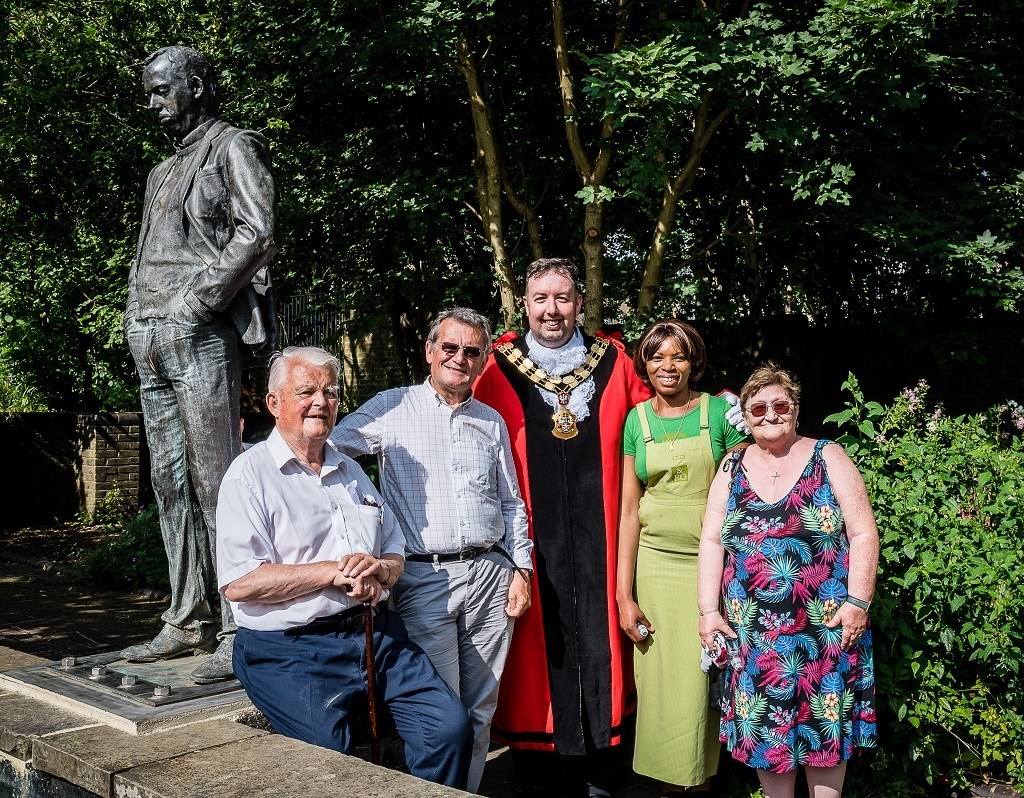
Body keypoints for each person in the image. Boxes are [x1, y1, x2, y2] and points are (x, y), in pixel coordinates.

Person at [216, 346, 471, 788]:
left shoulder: (350, 469)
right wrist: (334, 571)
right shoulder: (248, 475)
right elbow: (239, 582)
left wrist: (381, 570)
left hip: (374, 636)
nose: (322, 401)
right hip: (288, 650)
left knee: (447, 728)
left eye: (331, 392)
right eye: (306, 391)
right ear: (274, 402)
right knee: (331, 763)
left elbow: (393, 549)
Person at [120, 45, 277, 684]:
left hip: (200, 332)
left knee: (218, 481)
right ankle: (186, 615)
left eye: (163, 89)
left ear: (198, 86)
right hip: (150, 333)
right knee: (167, 480)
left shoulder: (232, 146)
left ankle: (239, 626)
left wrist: (200, 299)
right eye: (149, 92)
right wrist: (136, 315)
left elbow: (259, 230)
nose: (153, 103)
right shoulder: (161, 171)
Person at [330, 307, 534, 794]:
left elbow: (511, 501)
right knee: (440, 711)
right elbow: (323, 450)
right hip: (424, 580)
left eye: (471, 351)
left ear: (484, 360)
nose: (459, 358)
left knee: (481, 707)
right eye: (450, 347)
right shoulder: (390, 407)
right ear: (429, 351)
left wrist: (521, 567)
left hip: (490, 575)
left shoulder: (490, 421)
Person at [473, 257, 653, 796]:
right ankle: (537, 772)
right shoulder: (494, 367)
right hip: (532, 544)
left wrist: (722, 413)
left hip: (602, 542)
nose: (552, 310)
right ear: (523, 305)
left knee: (602, 647)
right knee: (536, 661)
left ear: (580, 302)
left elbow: (660, 418)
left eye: (563, 298)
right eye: (540, 299)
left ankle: (600, 771)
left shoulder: (615, 362)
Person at [697, 364, 879, 798]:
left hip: (827, 632)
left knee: (825, 748)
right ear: (745, 413)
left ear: (796, 409)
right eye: (757, 408)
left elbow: (863, 531)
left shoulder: (828, 455)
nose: (770, 414)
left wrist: (859, 601)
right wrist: (708, 612)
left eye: (781, 405)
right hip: (755, 638)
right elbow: (710, 538)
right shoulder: (732, 464)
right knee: (769, 750)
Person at [616, 320, 748, 795]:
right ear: (645, 365)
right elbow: (628, 512)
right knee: (661, 686)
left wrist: (748, 425)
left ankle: (702, 783)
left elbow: (746, 491)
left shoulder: (718, 413)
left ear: (694, 363)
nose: (667, 366)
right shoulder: (637, 420)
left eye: (678, 356)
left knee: (700, 684)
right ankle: (670, 787)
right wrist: (622, 595)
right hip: (654, 568)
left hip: (710, 569)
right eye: (656, 357)